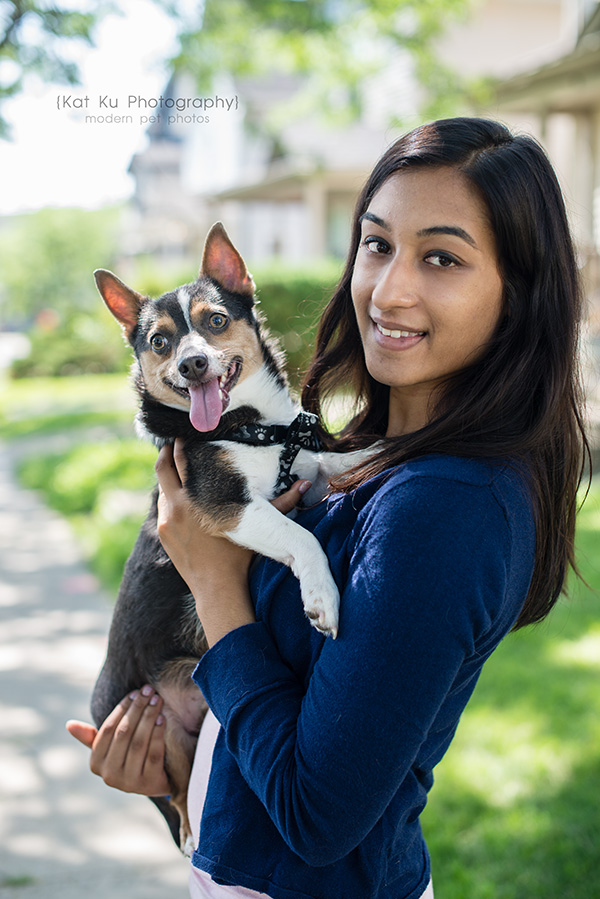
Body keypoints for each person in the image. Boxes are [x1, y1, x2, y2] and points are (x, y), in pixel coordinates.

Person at [67, 117, 589, 899]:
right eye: (377, 244)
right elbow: (290, 708)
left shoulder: (444, 509)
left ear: (518, 293)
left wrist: (215, 585)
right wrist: (180, 775)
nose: (389, 288)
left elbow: (317, 817)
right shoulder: (372, 452)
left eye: (442, 257)